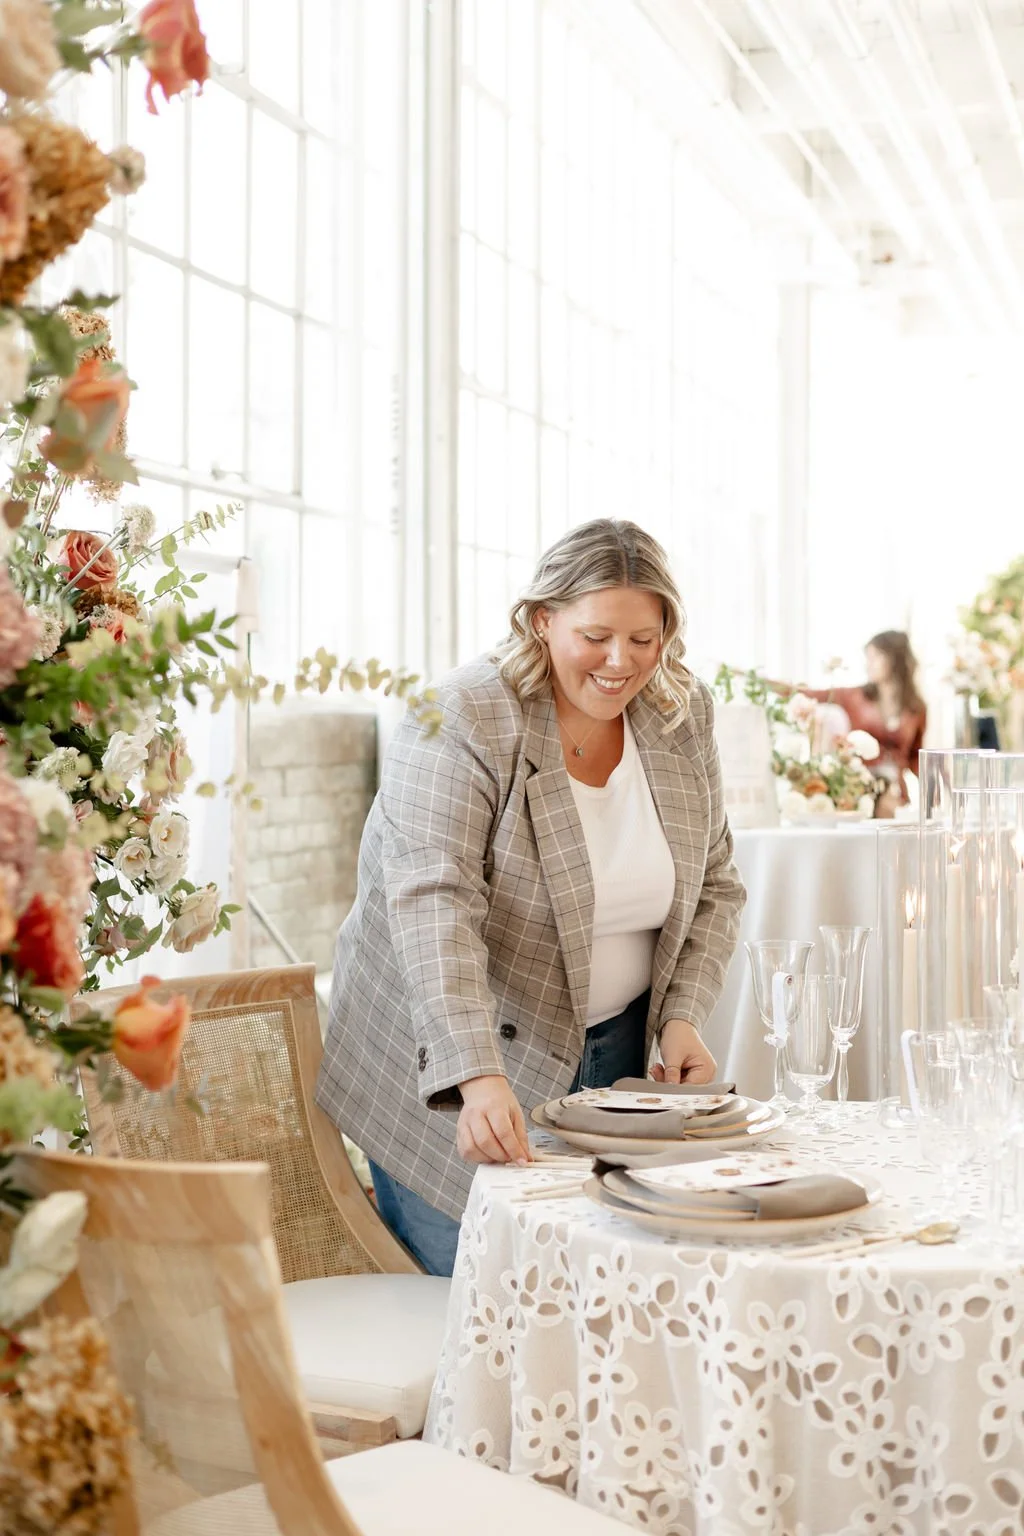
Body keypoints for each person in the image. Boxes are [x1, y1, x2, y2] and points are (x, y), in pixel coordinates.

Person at [315, 519, 746, 1275]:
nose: (622, 663)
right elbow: (433, 905)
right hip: (459, 1055)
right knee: (486, 1298)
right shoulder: (463, 715)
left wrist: (682, 1015)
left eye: (645, 640)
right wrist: (475, 1075)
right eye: (597, 635)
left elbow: (715, 880)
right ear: (542, 619)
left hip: (613, 1055)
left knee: (597, 1294)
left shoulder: (682, 713)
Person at [774, 631, 927, 811]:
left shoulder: (916, 708)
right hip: (859, 792)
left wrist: (939, 796)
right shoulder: (854, 697)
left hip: (895, 797)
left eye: (875, 657)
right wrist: (759, 681)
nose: (868, 664)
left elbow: (916, 759)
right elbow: (805, 693)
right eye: (867, 658)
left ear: (894, 659)